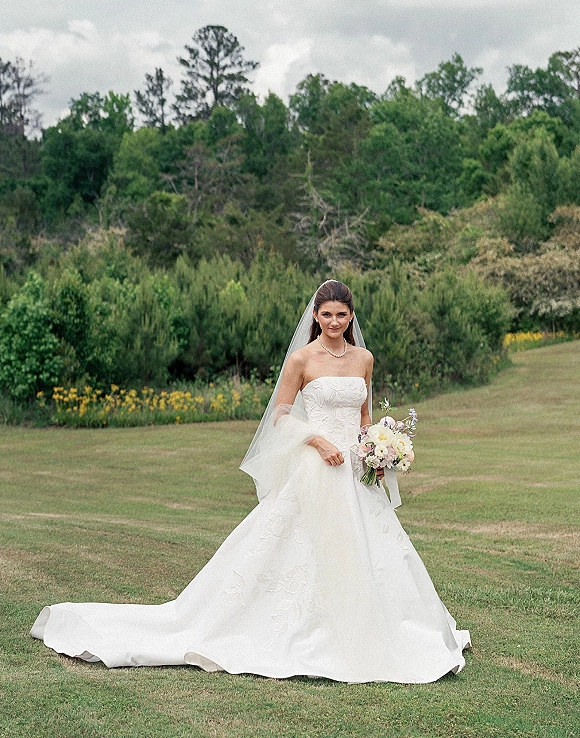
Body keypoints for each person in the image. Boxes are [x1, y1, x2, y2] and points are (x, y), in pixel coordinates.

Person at [30, 280, 470, 683]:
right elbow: (280, 415)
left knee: (371, 545)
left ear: (352, 317)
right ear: (315, 316)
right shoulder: (302, 360)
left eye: (342, 315)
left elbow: (363, 415)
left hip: (355, 467)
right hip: (318, 465)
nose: (334, 322)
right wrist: (316, 440)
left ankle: (374, 625)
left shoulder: (364, 359)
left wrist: (377, 446)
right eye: (326, 314)